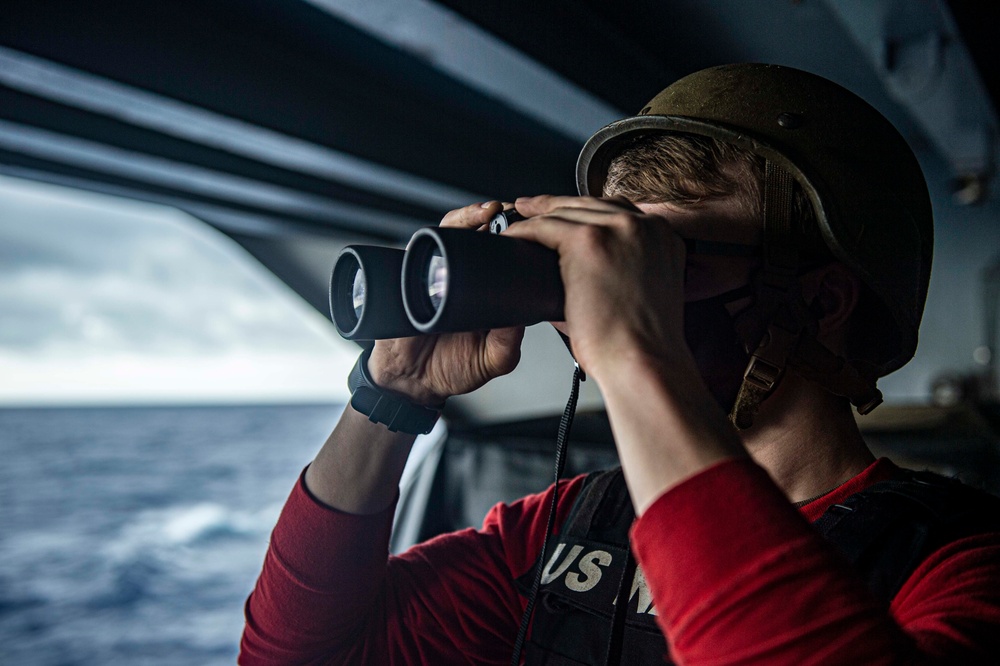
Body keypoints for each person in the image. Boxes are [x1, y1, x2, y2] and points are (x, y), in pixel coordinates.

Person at [240, 64, 1000, 664]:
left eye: (665, 261)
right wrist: (391, 400)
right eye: (622, 258)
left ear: (825, 302)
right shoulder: (568, 531)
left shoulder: (961, 565)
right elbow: (308, 655)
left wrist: (636, 353)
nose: (615, 292)